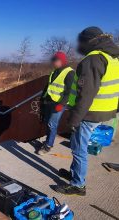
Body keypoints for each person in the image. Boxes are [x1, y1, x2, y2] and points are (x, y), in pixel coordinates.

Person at [55, 27, 119, 195]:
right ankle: (75, 174)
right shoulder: (112, 57)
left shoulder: (93, 60)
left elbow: (86, 94)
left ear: (89, 41)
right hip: (103, 110)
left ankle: (78, 184)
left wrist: (74, 119)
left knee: (78, 148)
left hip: (89, 113)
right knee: (79, 146)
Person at [38, 52, 76, 155]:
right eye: (53, 61)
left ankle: (48, 146)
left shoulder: (70, 73)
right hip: (49, 101)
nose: (54, 63)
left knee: (52, 124)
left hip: (58, 104)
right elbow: (48, 86)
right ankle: (48, 140)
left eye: (56, 61)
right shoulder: (54, 71)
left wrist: (62, 104)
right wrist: (42, 98)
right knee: (48, 123)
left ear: (62, 61)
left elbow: (70, 92)